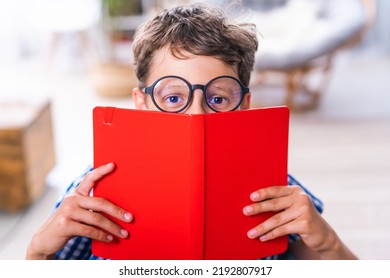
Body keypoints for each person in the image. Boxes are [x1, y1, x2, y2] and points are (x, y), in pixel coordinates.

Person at [26, 4, 357, 260]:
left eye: (217, 98)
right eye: (173, 97)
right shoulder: (93, 190)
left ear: (243, 105)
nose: (197, 114)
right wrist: (38, 251)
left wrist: (328, 242)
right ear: (141, 103)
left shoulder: (274, 188)